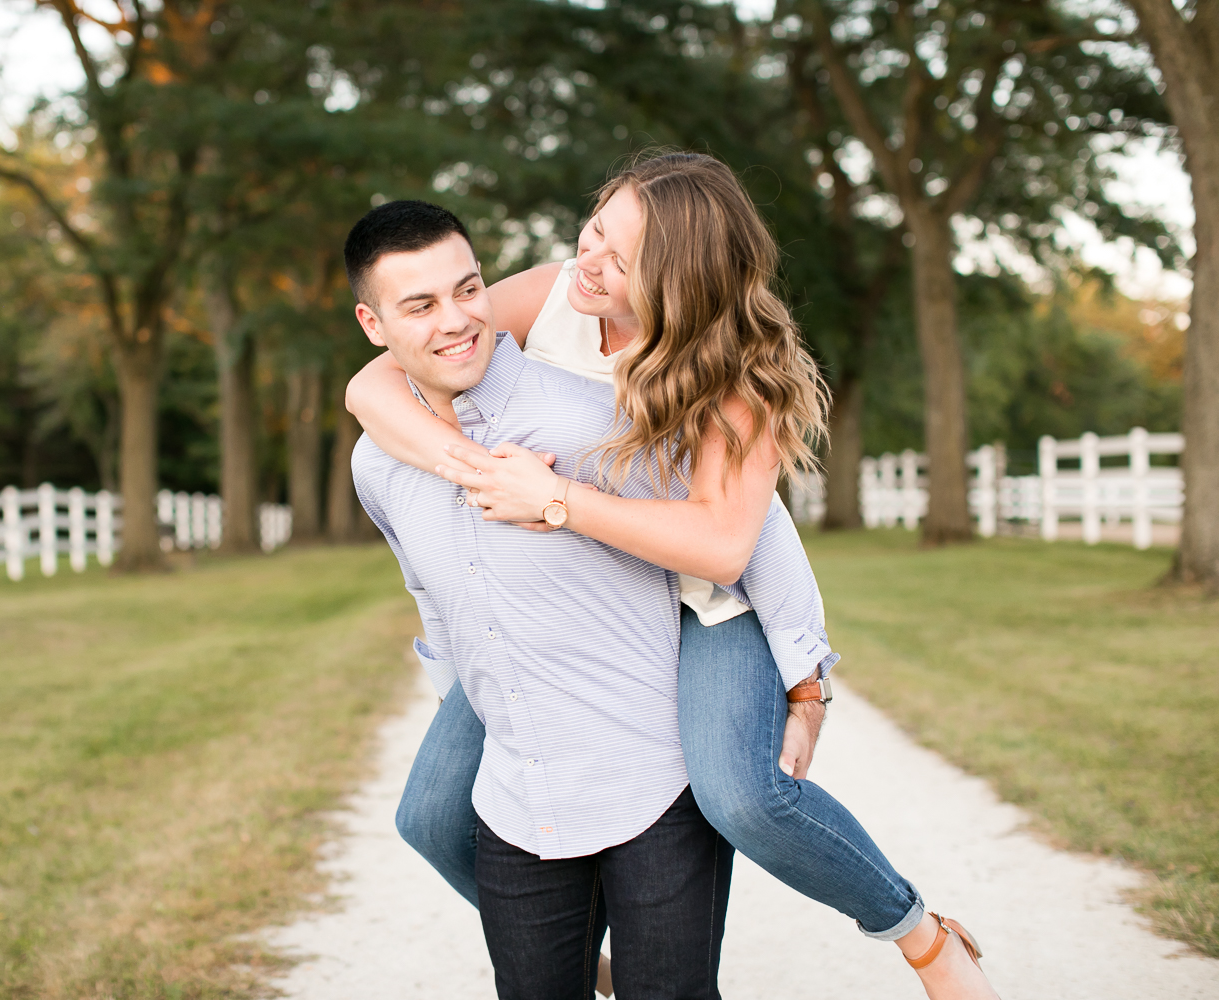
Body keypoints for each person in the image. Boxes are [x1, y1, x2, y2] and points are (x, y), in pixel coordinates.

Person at [347, 153, 999, 1000]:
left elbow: (739, 543)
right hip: (573, 590)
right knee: (434, 817)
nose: (590, 262)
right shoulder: (552, 294)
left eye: (620, 261)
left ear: (677, 280)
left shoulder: (737, 375)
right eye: (594, 230)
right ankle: (573, 953)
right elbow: (377, 379)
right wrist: (476, 472)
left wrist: (806, 687)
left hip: (703, 602)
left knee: (745, 797)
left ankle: (922, 935)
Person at [347, 199, 733, 1000]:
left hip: (654, 789)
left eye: (469, 288)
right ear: (372, 325)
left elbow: (740, 540)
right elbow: (433, 598)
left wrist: (805, 676)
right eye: (419, 306)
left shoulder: (598, 417)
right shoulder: (378, 467)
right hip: (517, 803)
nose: (457, 321)